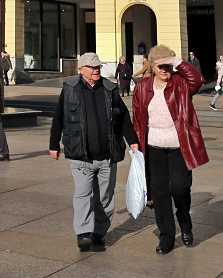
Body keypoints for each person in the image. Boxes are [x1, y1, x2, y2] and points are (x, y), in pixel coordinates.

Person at [48, 52, 137, 252]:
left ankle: (99, 233)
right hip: (81, 155)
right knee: (82, 194)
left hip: (107, 155)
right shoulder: (70, 89)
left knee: (105, 196)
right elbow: (58, 118)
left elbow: (123, 118)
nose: (96, 70)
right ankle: (83, 234)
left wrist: (132, 141)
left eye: (98, 67)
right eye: (92, 67)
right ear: (81, 70)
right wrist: (54, 143)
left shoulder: (110, 89)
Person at [132, 44, 208, 255]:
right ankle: (166, 237)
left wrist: (177, 61)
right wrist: (136, 144)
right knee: (160, 193)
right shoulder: (142, 87)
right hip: (153, 148)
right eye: (161, 67)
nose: (165, 71)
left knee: (180, 188)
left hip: (178, 148)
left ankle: (185, 223)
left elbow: (198, 80)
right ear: (153, 67)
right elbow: (137, 119)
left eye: (168, 66)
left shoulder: (181, 85)